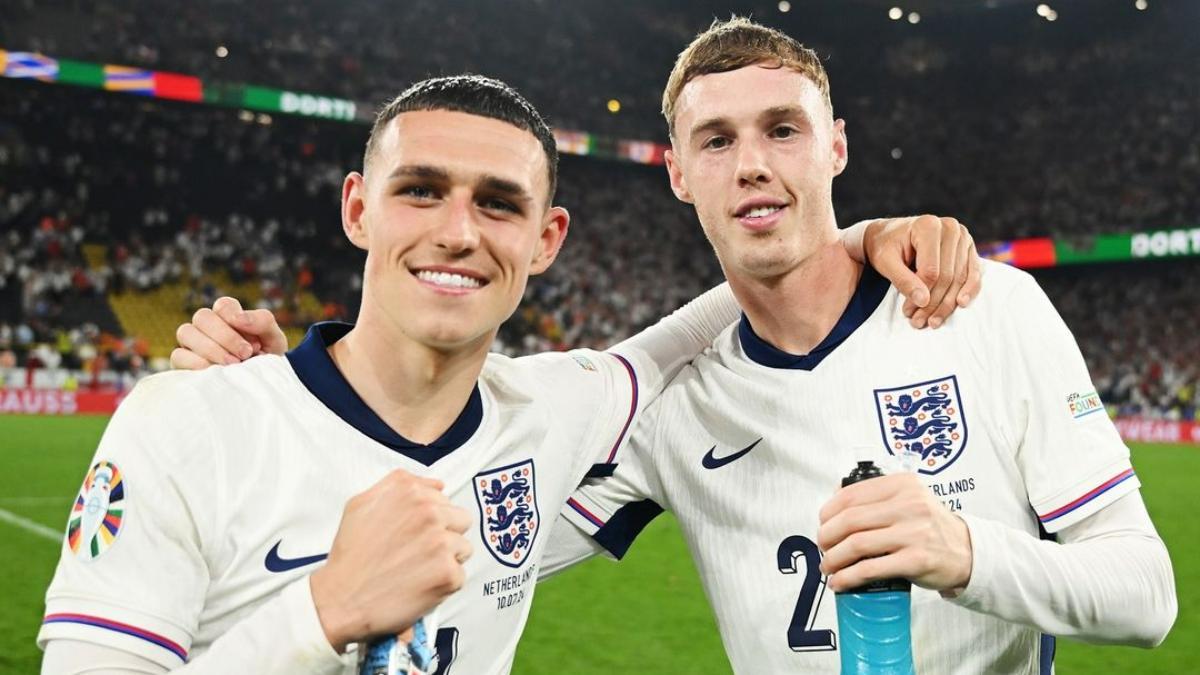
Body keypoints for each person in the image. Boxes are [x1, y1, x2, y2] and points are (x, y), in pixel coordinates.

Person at [38, 74, 975, 675]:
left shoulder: (556, 411)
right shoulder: (189, 425)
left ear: (545, 240)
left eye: (498, 204)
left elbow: (699, 324)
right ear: (359, 209)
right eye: (420, 191)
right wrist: (320, 615)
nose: (457, 230)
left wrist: (856, 236)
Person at [544, 17, 1177, 673]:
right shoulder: (669, 402)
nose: (752, 165)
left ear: (836, 147)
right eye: (716, 141)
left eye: (784, 129)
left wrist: (963, 552)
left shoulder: (985, 307)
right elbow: (482, 556)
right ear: (678, 173)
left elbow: (1146, 594)